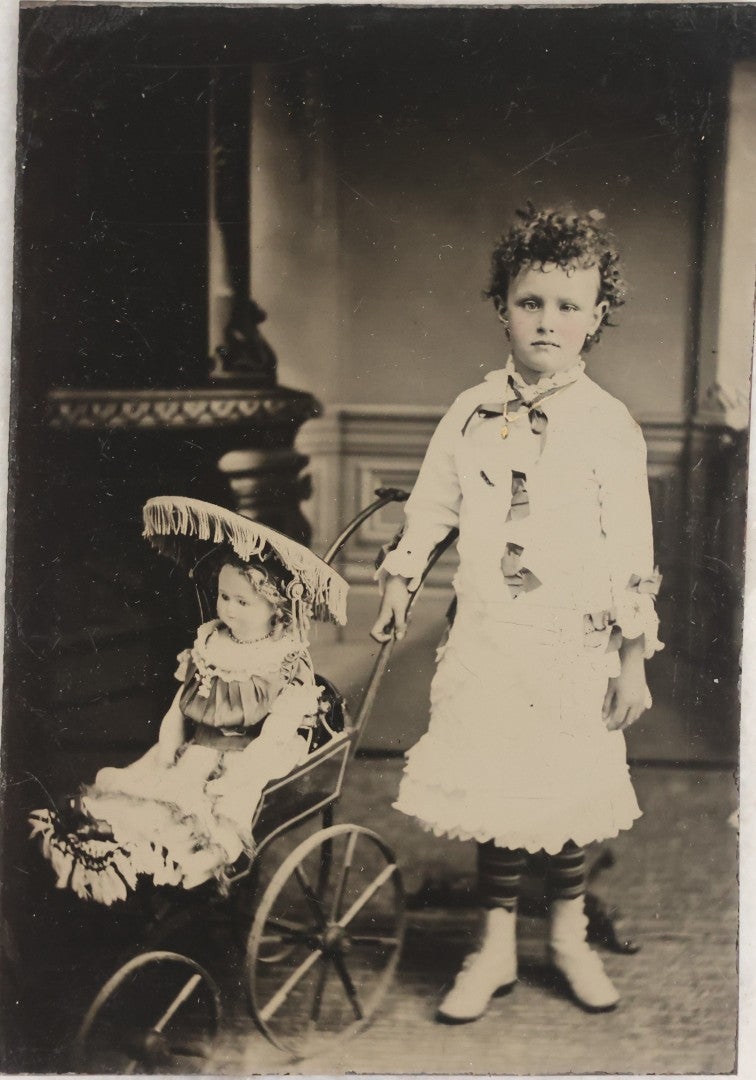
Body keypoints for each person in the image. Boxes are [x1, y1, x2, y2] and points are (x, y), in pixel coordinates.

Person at [371, 204, 661, 1020]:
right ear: (502, 306)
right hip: (490, 638)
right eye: (531, 301)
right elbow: (432, 508)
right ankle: (493, 946)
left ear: (596, 317)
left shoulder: (609, 426)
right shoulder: (467, 411)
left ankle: (567, 936)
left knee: (563, 794)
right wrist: (398, 581)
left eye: (569, 306)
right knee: (496, 788)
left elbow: (631, 552)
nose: (548, 320)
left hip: (575, 645)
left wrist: (633, 659)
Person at [30, 550, 332, 905]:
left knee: (212, 812)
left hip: (247, 757)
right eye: (223, 597)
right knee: (160, 785)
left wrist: (237, 777)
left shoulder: (284, 658)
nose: (229, 609)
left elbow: (277, 732)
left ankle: (172, 857)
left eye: (242, 602)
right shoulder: (211, 643)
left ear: (275, 608)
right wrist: (168, 747)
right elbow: (181, 704)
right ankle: (128, 840)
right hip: (199, 747)